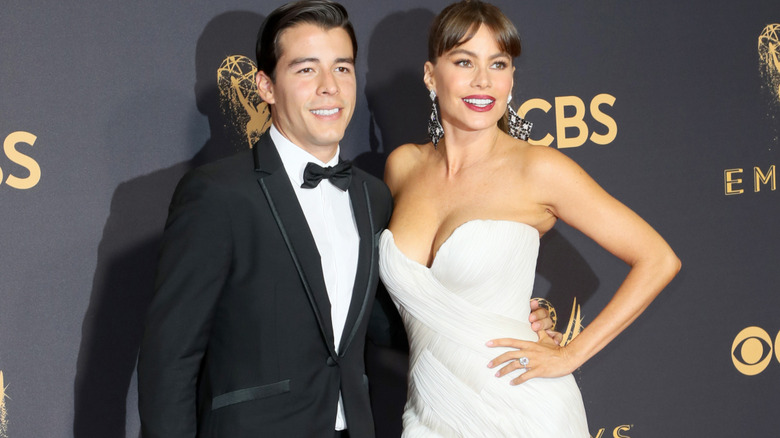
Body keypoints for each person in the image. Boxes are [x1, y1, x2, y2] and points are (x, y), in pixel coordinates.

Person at [137, 1, 557, 436]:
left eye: (342, 68)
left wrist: (503, 313)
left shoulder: (370, 195)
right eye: (305, 70)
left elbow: (391, 323)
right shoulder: (218, 193)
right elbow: (169, 358)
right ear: (266, 86)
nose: (329, 87)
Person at [379, 1, 681, 437]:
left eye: (498, 64)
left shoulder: (538, 169)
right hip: (428, 413)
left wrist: (570, 355)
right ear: (431, 75)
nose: (483, 80)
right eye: (464, 61)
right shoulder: (402, 167)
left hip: (524, 409)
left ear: (511, 78)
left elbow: (658, 259)